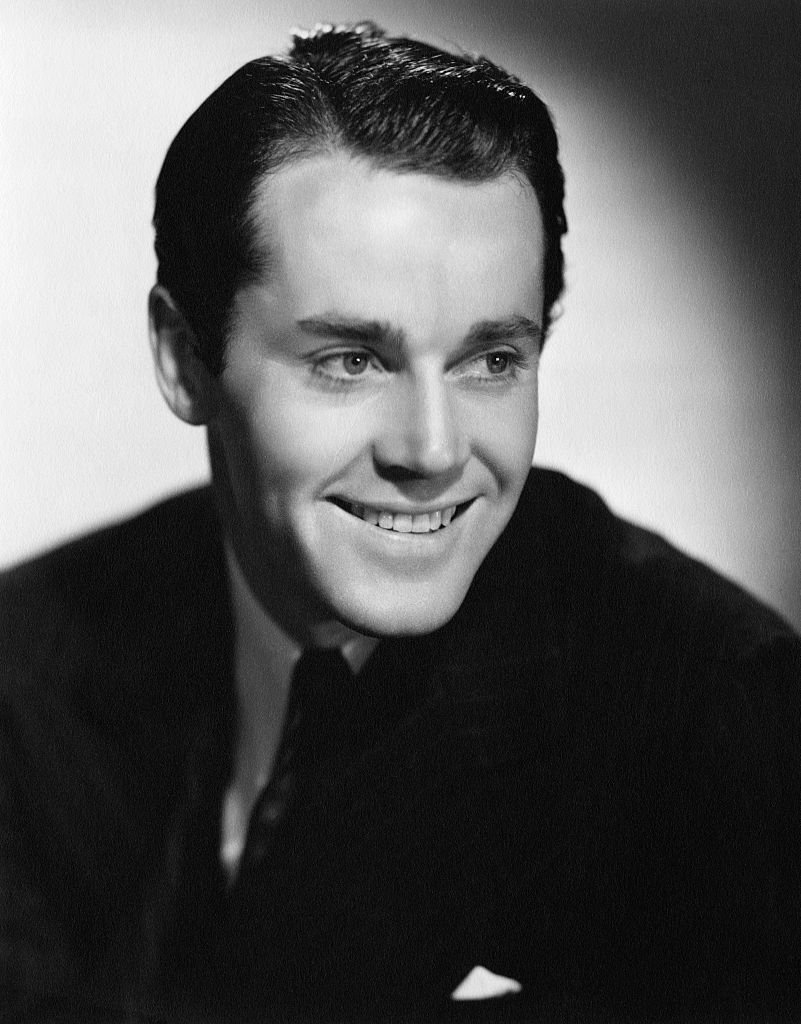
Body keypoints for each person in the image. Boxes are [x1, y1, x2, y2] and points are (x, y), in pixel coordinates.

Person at [2, 20, 800, 1024]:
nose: (432, 450)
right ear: (182, 357)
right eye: (351, 360)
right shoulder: (23, 677)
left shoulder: (714, 716)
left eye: (491, 360)